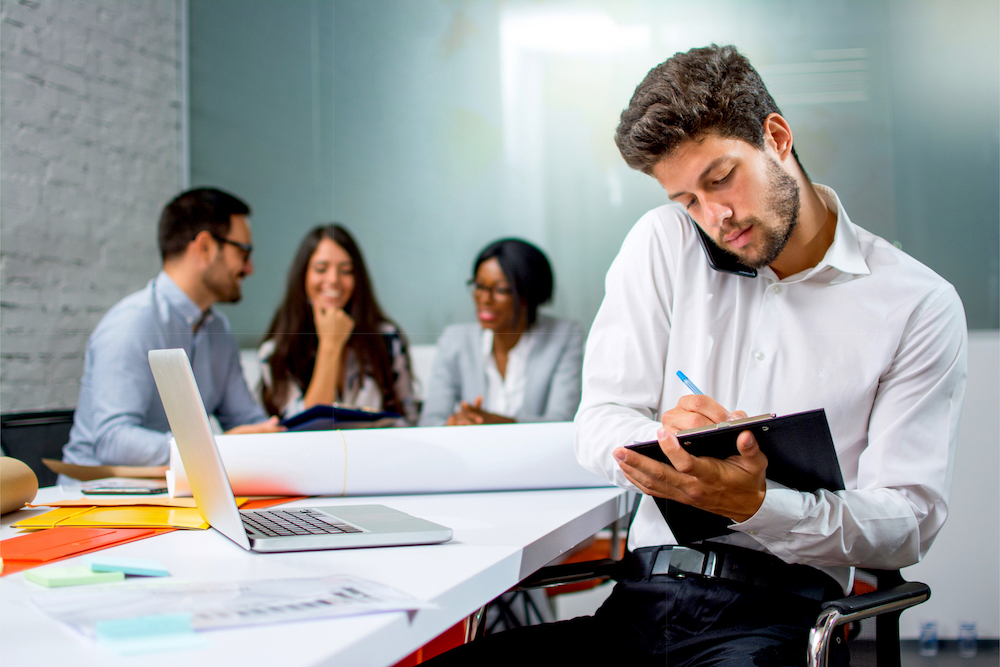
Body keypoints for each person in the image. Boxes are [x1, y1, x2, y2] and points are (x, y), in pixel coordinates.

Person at [425, 45, 967, 666]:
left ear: (777, 136)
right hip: (638, 603)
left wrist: (761, 505)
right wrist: (669, 442)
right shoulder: (661, 245)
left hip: (784, 620)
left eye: (720, 178)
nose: (716, 218)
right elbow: (599, 420)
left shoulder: (916, 305)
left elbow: (909, 521)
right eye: (687, 200)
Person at [62, 188, 282, 468]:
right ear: (205, 247)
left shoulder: (218, 330)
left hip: (176, 493)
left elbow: (248, 422)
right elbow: (113, 441)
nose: (250, 268)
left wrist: (279, 440)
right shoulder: (132, 323)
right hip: (97, 500)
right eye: (244, 252)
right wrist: (215, 449)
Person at [258, 224, 417, 424]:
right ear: (303, 276)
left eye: (346, 270)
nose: (333, 279)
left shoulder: (386, 339)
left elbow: (409, 420)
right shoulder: (277, 353)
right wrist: (330, 344)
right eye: (321, 269)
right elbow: (303, 432)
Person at [418, 238, 584, 427]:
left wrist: (496, 423)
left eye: (501, 289)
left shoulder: (563, 337)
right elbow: (429, 422)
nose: (485, 299)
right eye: (479, 286)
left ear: (530, 293)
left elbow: (563, 422)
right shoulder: (455, 341)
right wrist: (456, 424)